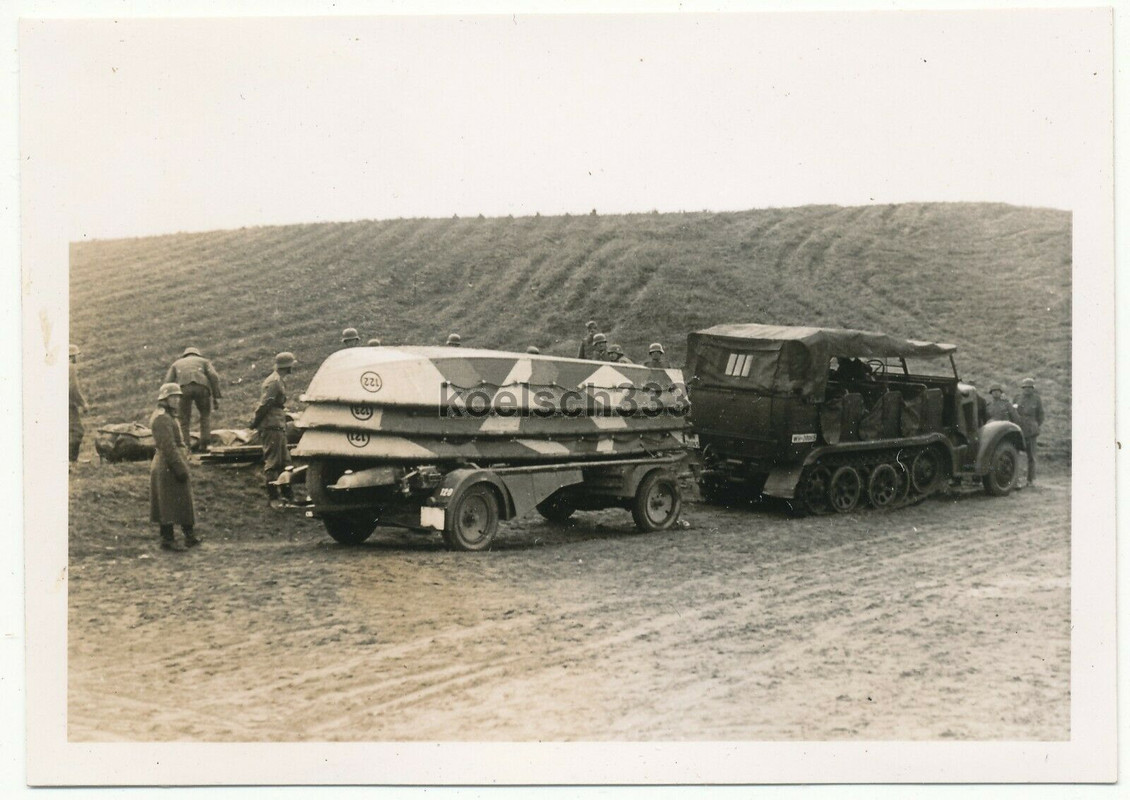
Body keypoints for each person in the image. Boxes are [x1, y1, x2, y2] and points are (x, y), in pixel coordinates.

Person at [150, 382, 198, 550]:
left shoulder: (169, 416)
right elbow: (168, 446)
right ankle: (167, 539)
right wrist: (179, 467)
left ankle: (189, 536)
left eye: (178, 397)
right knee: (167, 504)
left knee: (182, 500)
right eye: (173, 397)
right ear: (164, 398)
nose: (177, 400)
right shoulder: (162, 418)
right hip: (167, 464)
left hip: (172, 461)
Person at [251, 352, 296, 502]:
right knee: (273, 462)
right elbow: (265, 404)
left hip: (277, 424)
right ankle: (274, 497)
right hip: (271, 425)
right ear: (287, 366)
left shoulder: (278, 380)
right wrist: (256, 422)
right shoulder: (274, 382)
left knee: (285, 462)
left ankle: (287, 494)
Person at [165, 346, 223, 452]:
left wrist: (167, 400)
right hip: (202, 388)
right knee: (205, 416)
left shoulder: (176, 364)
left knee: (183, 420)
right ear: (197, 354)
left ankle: (186, 447)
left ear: (185, 355)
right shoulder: (204, 361)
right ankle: (205, 445)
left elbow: (168, 382)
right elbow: (214, 376)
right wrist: (216, 397)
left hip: (183, 389)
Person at [1015, 377, 1045, 487]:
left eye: (1030, 387)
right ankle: (1015, 480)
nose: (1027, 389)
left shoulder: (1037, 399)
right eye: (1025, 387)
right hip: (1019, 429)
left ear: (1033, 388)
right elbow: (1014, 412)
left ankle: (1031, 480)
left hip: (1031, 430)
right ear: (1022, 388)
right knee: (1015, 454)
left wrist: (1035, 425)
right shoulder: (1017, 398)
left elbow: (1041, 415)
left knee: (1031, 456)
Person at [68, 344, 89, 462]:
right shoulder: (70, 367)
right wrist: (83, 403)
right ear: (71, 356)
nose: (77, 358)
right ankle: (71, 461)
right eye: (76, 356)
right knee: (77, 431)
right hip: (68, 406)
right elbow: (73, 388)